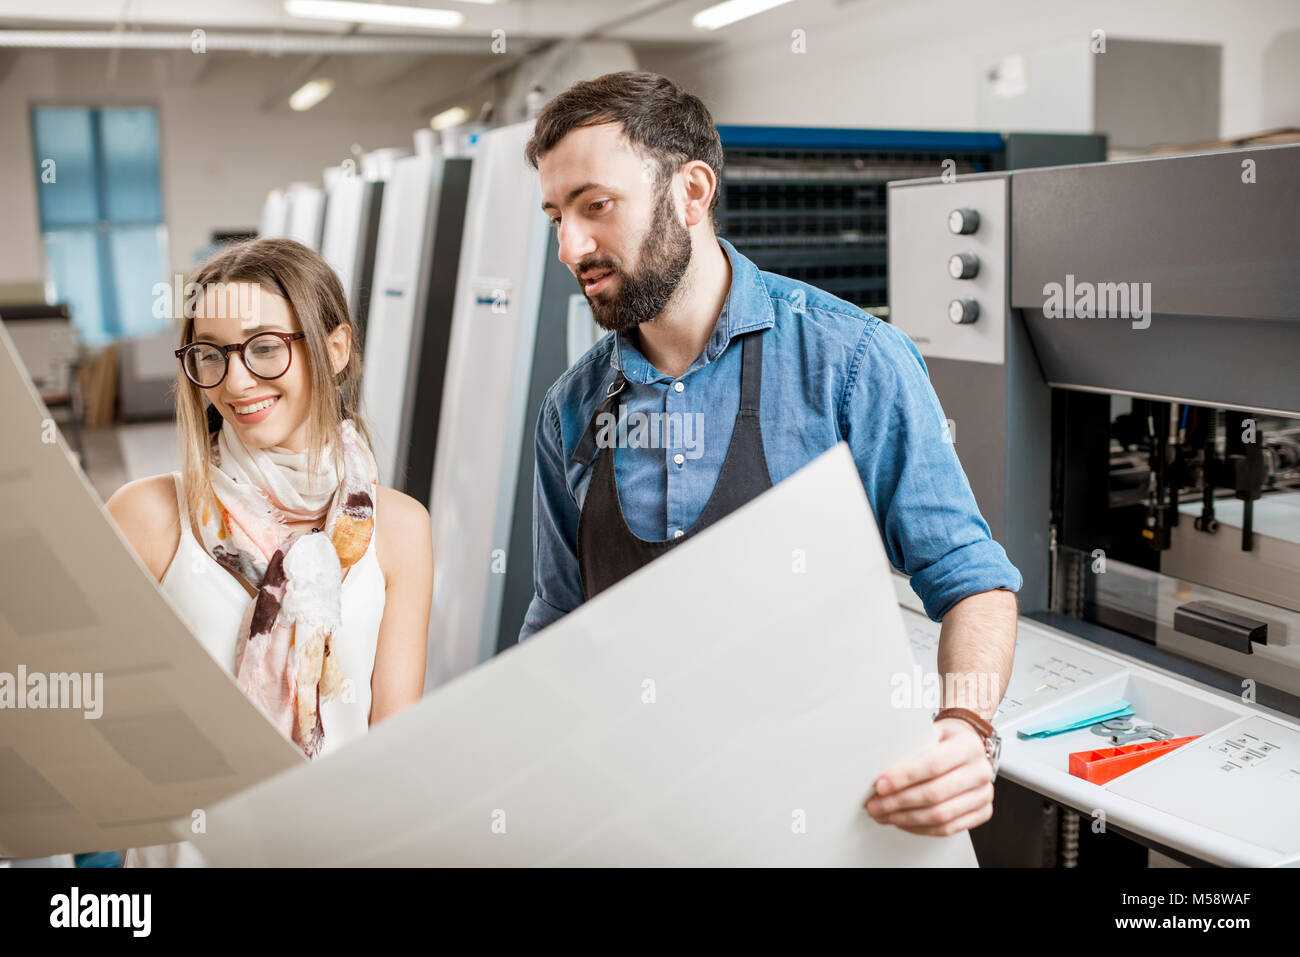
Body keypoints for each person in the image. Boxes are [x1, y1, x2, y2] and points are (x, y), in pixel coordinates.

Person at [519, 71, 1021, 839]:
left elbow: (972, 582)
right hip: (643, 825)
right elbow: (559, 621)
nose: (569, 247)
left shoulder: (852, 363)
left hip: (832, 822)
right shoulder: (571, 410)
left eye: (596, 206)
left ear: (691, 193)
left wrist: (964, 726)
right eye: (556, 216)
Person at [104, 237, 433, 865]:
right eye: (210, 356)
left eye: (264, 348)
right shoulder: (148, 517)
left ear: (334, 350)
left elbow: (392, 751)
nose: (235, 381)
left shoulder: (398, 530)